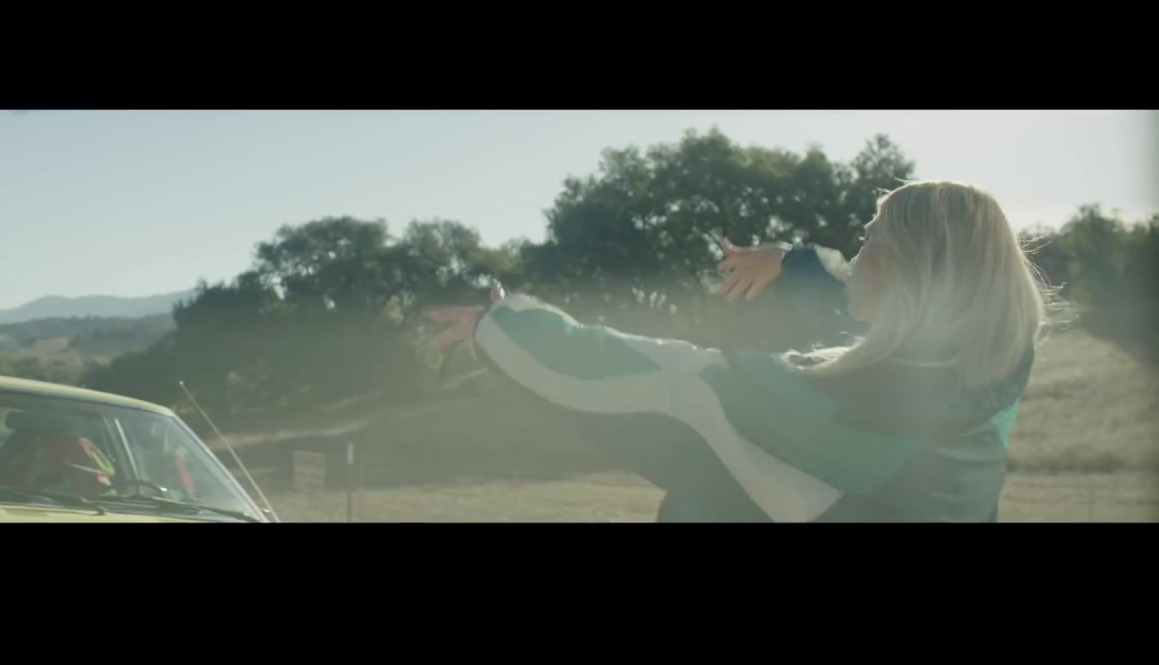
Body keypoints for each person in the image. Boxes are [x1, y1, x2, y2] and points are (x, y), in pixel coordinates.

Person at [428, 181, 1047, 522]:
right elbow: (873, 304)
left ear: (908, 270)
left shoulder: (822, 406)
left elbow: (660, 374)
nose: (858, 253)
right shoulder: (992, 384)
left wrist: (503, 326)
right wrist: (790, 263)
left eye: (870, 239)